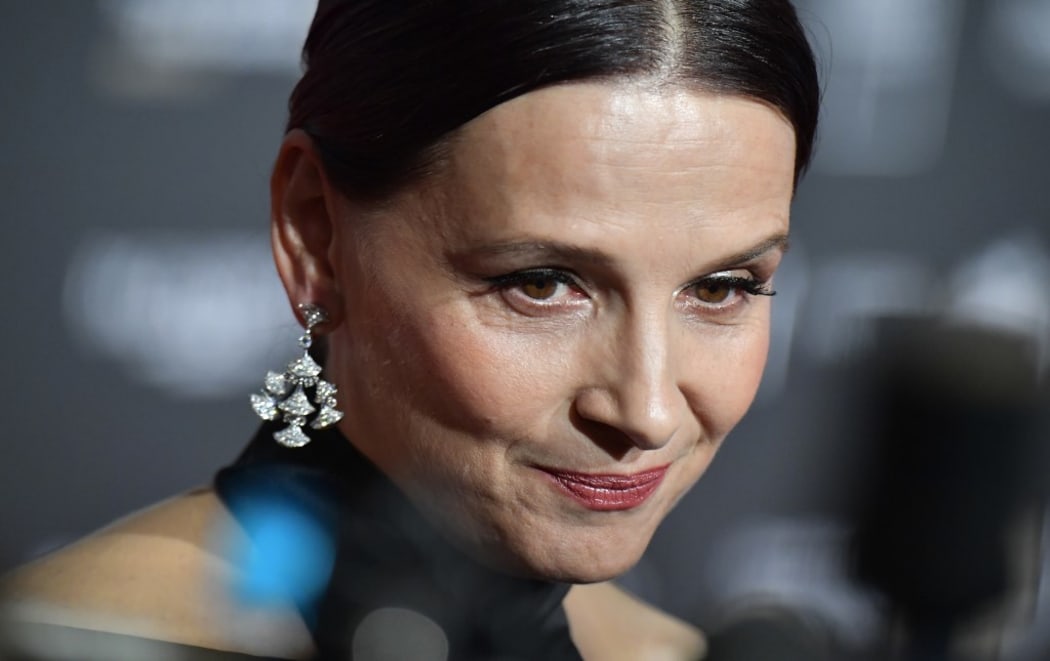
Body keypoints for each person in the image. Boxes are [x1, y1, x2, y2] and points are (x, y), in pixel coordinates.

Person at [1, 0, 819, 658]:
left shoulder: (675, 651)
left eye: (722, 287)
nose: (647, 411)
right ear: (315, 232)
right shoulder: (77, 638)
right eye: (541, 284)